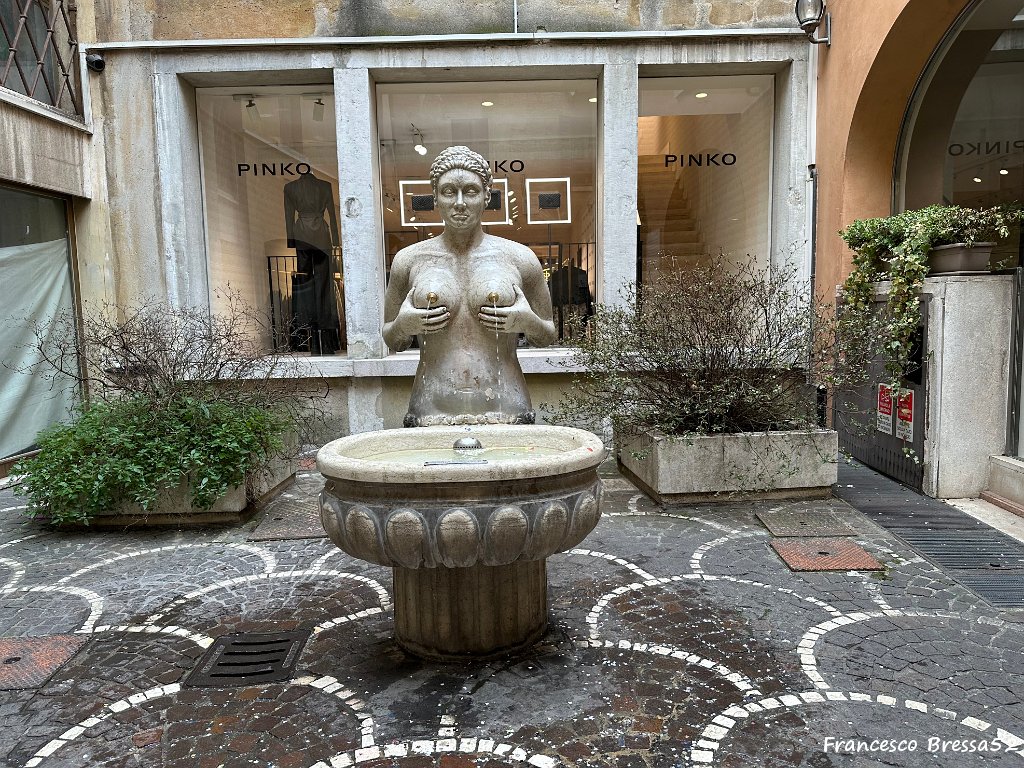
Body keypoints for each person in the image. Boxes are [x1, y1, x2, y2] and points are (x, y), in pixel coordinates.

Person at [383, 146, 556, 426]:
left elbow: (547, 334)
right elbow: (392, 338)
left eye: (471, 191)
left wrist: (528, 322)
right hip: (430, 408)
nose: (460, 203)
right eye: (449, 192)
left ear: (487, 196)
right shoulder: (409, 260)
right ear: (435, 197)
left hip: (506, 407)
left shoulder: (519, 258)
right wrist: (403, 326)